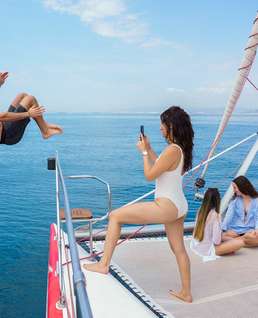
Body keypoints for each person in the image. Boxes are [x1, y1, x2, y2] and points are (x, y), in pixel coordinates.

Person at [83, 106, 194, 303]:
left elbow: (150, 175)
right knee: (179, 250)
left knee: (116, 216)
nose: (160, 128)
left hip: (166, 206)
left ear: (170, 126)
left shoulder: (172, 150)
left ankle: (103, 264)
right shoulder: (180, 149)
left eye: (162, 124)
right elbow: (163, 167)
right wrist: (149, 149)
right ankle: (186, 292)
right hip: (179, 206)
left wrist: (143, 153)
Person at [190, 188, 244, 262]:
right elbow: (216, 241)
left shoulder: (200, 210)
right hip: (206, 250)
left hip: (195, 245)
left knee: (224, 237)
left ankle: (230, 245)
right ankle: (243, 241)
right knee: (240, 243)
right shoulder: (216, 216)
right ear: (217, 200)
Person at [221, 175, 258, 247]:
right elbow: (229, 216)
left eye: (235, 188)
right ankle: (248, 244)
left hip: (250, 229)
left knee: (256, 237)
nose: (233, 190)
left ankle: (237, 241)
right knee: (220, 235)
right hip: (235, 229)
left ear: (242, 187)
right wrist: (222, 228)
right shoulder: (234, 200)